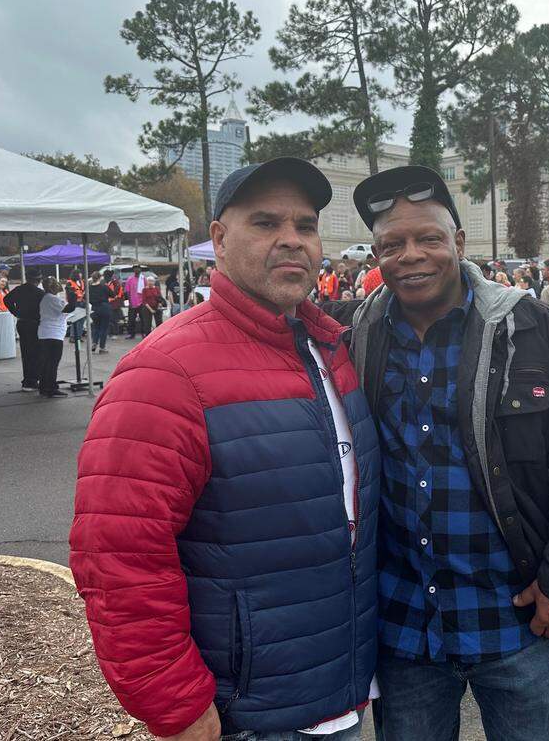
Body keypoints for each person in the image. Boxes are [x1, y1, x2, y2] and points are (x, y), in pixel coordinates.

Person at [70, 157, 380, 740]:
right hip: (247, 717)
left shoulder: (332, 350)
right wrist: (177, 705)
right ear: (218, 238)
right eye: (265, 223)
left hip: (340, 698)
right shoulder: (164, 373)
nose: (291, 241)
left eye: (305, 226)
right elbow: (118, 560)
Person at [326, 165, 549, 741]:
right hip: (404, 627)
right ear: (377, 256)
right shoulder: (355, 336)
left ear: (459, 243)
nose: (411, 255)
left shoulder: (537, 333)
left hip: (516, 623)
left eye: (429, 238)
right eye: (392, 244)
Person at [6, 268, 44, 391]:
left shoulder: (19, 289)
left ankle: (27, 379)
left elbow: (6, 300)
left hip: (22, 323)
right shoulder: (40, 293)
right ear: (37, 280)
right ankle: (33, 380)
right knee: (35, 353)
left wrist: (16, 312)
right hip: (34, 324)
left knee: (26, 352)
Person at [37, 277, 74, 398]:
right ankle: (51, 388)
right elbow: (68, 308)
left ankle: (43, 387)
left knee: (46, 362)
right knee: (53, 363)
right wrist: (72, 295)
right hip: (53, 334)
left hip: (45, 333)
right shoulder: (53, 299)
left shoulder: (45, 298)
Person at [87, 270, 112, 353]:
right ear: (100, 278)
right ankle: (102, 347)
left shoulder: (89, 288)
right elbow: (112, 294)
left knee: (96, 327)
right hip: (104, 307)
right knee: (104, 328)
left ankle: (94, 342)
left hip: (94, 308)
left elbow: (85, 298)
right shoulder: (104, 286)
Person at [124, 264, 146, 339]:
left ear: (140, 270)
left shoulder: (143, 279)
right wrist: (129, 302)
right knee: (131, 319)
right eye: (135, 268)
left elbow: (146, 290)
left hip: (142, 302)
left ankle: (144, 333)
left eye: (138, 268)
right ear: (133, 270)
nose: (137, 270)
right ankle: (131, 334)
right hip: (133, 303)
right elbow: (127, 291)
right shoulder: (130, 279)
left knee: (143, 319)